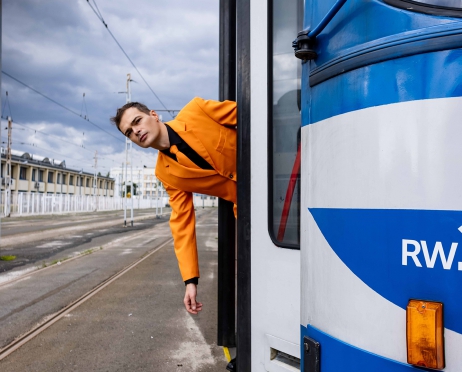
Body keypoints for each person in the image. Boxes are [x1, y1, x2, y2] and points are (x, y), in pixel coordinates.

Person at [111, 97, 237, 315]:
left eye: (137, 121)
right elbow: (182, 223)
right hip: (254, 212)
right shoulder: (165, 173)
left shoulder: (197, 110)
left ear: (154, 115)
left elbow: (252, 115)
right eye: (129, 132)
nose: (136, 131)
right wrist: (190, 281)